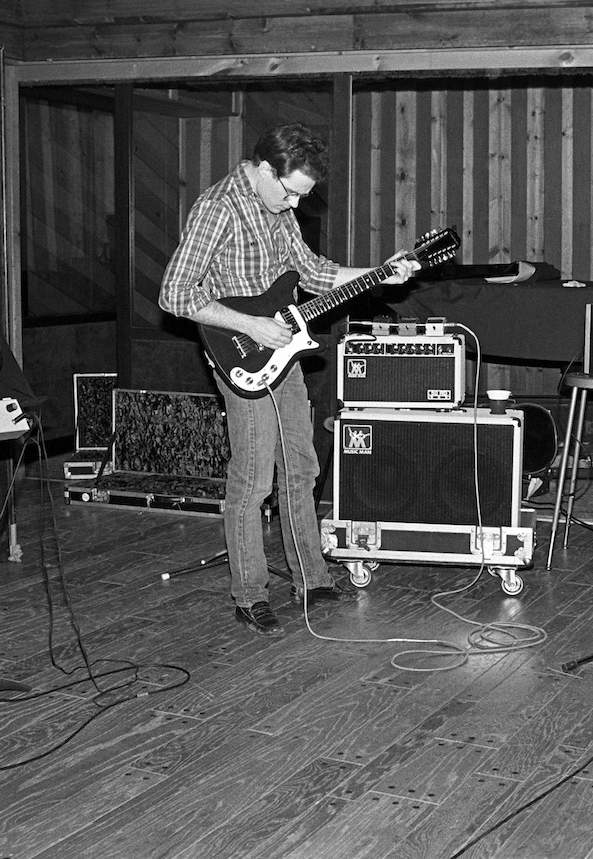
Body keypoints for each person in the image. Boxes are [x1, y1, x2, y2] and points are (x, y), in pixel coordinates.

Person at [159, 123, 419, 636]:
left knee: (301, 468)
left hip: (285, 353)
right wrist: (251, 324)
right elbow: (174, 294)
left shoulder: (279, 212)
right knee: (252, 480)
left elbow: (312, 272)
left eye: (304, 195)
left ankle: (311, 579)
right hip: (240, 353)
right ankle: (250, 593)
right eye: (293, 192)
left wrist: (377, 273)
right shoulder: (218, 209)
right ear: (262, 171)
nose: (297, 205)